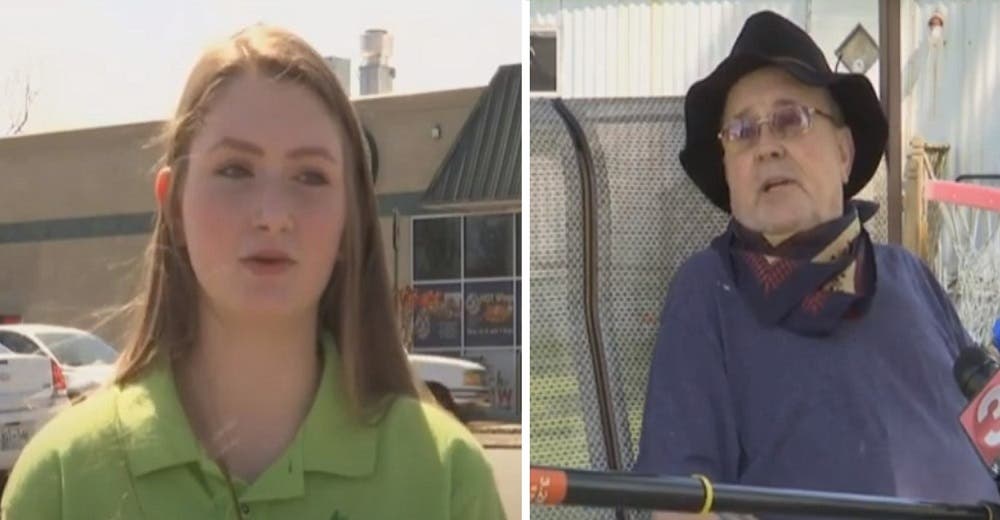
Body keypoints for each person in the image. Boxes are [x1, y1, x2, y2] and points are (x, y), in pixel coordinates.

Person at [1, 25, 505, 520]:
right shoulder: (62, 482)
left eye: (310, 176)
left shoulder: (445, 481)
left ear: (349, 222)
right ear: (173, 206)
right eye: (235, 170)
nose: (271, 214)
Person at [633, 11, 999, 519]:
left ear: (844, 152)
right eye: (741, 131)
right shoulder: (709, 293)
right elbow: (676, 508)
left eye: (791, 119)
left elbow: (991, 426)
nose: (766, 146)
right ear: (727, 169)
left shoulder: (907, 273)